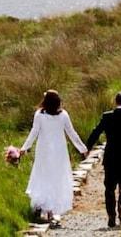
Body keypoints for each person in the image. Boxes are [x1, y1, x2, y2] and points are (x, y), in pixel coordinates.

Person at [18, 89, 88, 224]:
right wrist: (82, 149)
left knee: (43, 177)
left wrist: (24, 148)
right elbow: (71, 133)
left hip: (44, 152)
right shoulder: (63, 115)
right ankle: (51, 211)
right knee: (56, 179)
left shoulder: (39, 115)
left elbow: (34, 132)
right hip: (59, 153)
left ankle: (43, 207)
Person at [85, 91, 121, 228]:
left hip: (110, 157)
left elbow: (96, 132)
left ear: (115, 101)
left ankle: (111, 216)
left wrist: (87, 148)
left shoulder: (107, 117)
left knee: (109, 188)